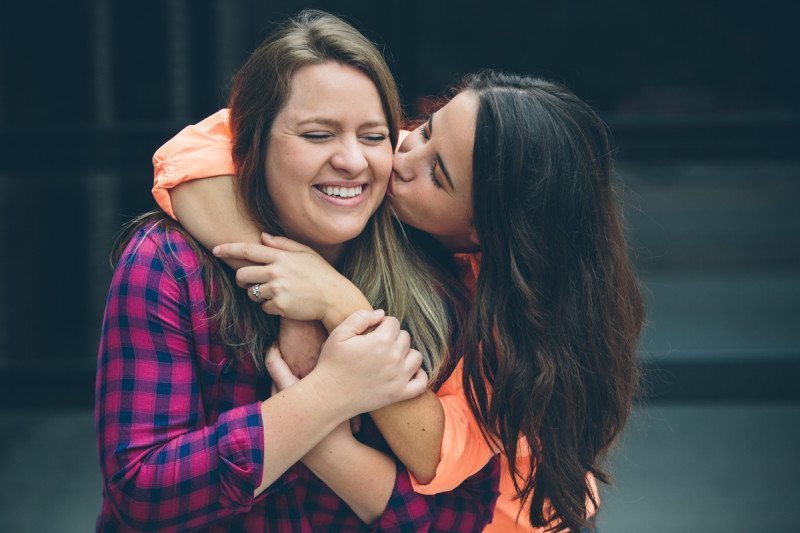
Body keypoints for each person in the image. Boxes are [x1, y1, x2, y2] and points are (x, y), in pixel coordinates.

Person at [153, 65, 645, 531]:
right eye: (426, 128)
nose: (400, 158)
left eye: (438, 175)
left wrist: (335, 300)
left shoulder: (526, 327)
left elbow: (434, 452)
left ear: (484, 230)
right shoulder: (424, 153)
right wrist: (289, 293)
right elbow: (190, 158)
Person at [95, 11, 500, 532]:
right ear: (252, 142)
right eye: (317, 134)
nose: (353, 161)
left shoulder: (432, 281)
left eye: (374, 136)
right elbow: (141, 493)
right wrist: (327, 397)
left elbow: (464, 517)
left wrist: (325, 443)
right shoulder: (168, 265)